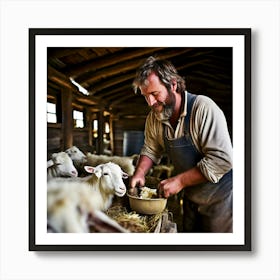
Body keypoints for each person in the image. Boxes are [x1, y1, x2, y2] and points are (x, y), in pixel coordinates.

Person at [130, 56, 233, 233]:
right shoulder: (155, 117)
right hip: (191, 198)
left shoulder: (203, 108)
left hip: (220, 200)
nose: (151, 103)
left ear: (173, 84)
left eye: (154, 94)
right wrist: (140, 172)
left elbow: (222, 160)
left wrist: (179, 181)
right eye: (146, 96)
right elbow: (151, 149)